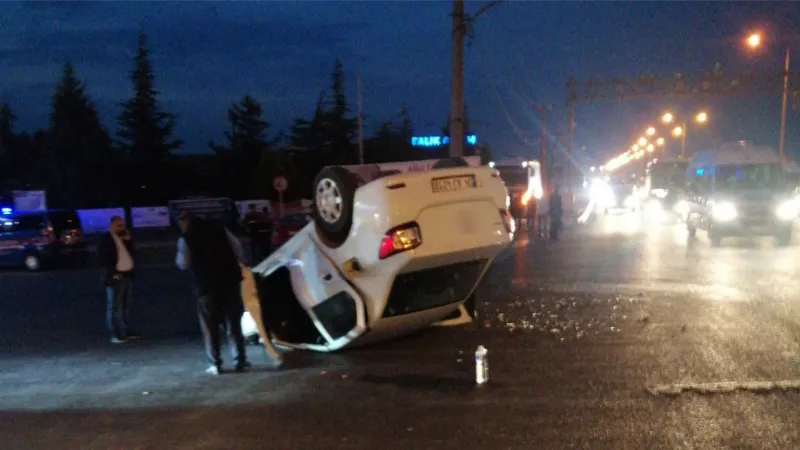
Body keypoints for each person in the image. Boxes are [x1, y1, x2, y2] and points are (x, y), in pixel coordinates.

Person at [176, 211, 250, 375]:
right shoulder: (220, 230)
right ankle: (240, 360)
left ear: (186, 222)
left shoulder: (186, 238)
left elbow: (183, 263)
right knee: (233, 323)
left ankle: (215, 363)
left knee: (210, 326)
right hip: (230, 281)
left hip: (206, 286)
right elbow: (238, 248)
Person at [98, 215, 140, 343]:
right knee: (114, 306)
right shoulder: (106, 238)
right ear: (112, 225)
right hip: (116, 276)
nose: (122, 228)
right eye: (119, 226)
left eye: (122, 225)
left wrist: (128, 240)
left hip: (127, 275)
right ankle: (115, 333)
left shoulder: (124, 238)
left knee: (126, 305)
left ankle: (125, 330)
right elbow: (103, 257)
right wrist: (113, 272)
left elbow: (132, 253)